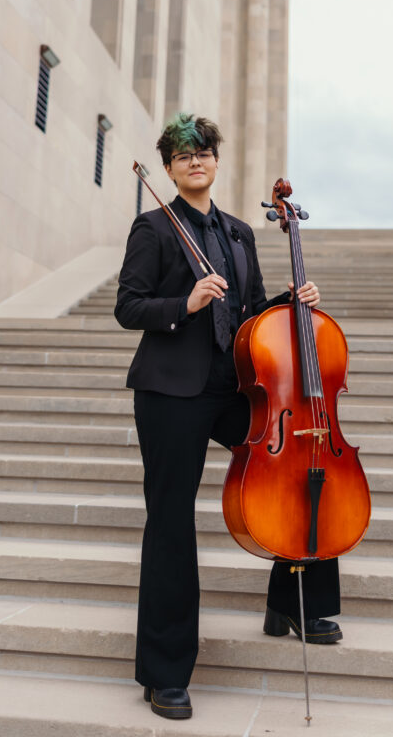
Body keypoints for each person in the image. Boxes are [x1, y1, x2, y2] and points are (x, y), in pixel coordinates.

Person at [115, 113, 341, 721]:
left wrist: (289, 302)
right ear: (169, 167)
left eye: (204, 152)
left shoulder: (240, 234)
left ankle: (291, 604)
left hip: (233, 386)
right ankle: (164, 672)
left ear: (216, 161)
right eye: (183, 155)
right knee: (170, 518)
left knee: (302, 461)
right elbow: (128, 306)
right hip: (170, 393)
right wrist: (182, 304)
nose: (195, 161)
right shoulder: (154, 228)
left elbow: (247, 316)